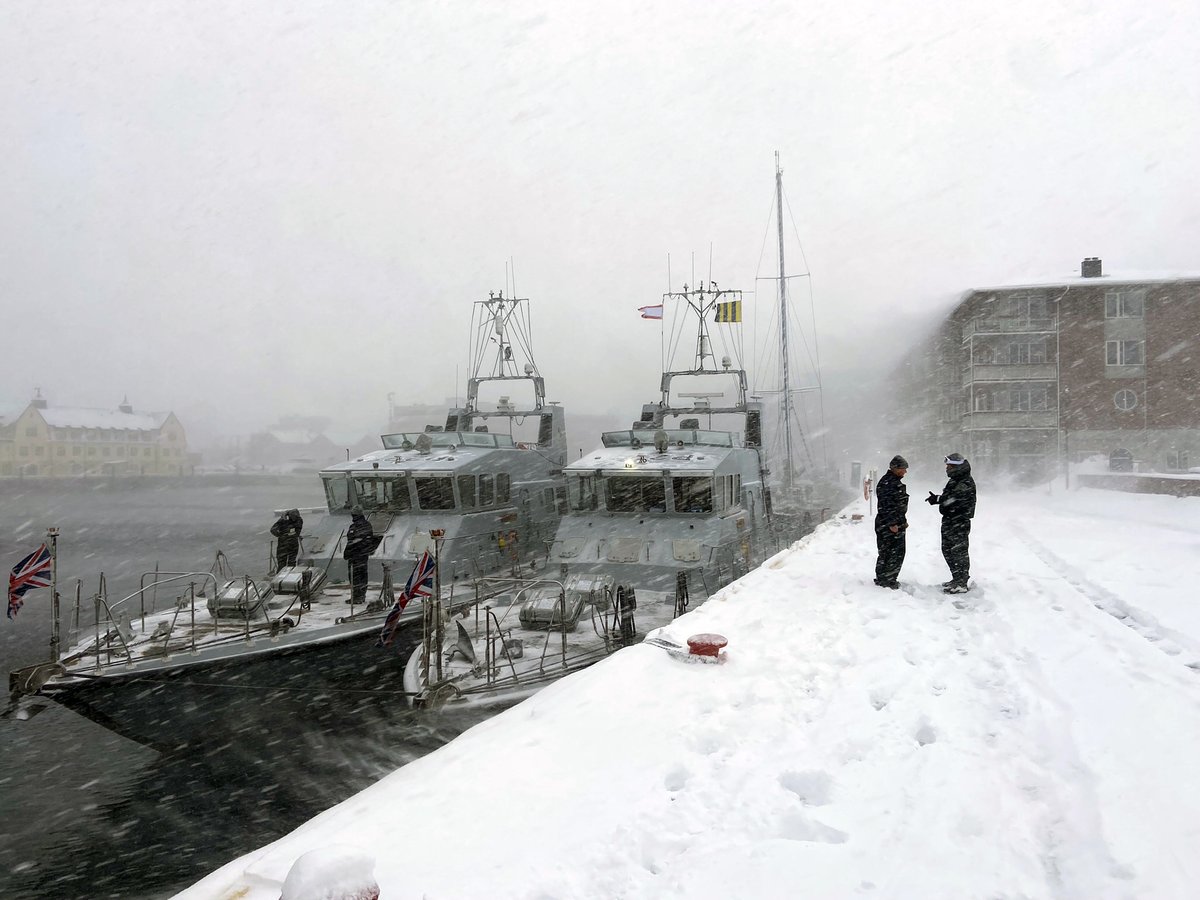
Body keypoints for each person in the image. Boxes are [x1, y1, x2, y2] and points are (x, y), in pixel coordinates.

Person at [926, 452, 977, 593]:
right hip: (950, 520)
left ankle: (961, 582)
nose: (947, 468)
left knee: (958, 551)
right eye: (947, 466)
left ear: (957, 466)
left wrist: (939, 500)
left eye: (949, 466)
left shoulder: (964, 481)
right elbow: (950, 498)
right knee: (948, 550)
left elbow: (956, 500)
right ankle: (956, 578)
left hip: (958, 521)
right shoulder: (956, 479)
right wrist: (938, 499)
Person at [873, 455, 909, 589]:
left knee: (887, 551)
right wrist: (892, 524)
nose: (905, 472)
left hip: (890, 523)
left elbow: (896, 506)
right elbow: (886, 505)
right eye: (903, 469)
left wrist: (902, 521)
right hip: (888, 525)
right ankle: (888, 580)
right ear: (895, 468)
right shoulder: (889, 483)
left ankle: (884, 577)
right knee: (893, 552)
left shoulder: (891, 482)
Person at [343, 508, 375, 604]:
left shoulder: (365, 525)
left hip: (359, 556)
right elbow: (351, 539)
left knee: (360, 576)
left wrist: (356, 548)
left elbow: (364, 541)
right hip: (354, 556)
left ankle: (360, 596)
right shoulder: (354, 525)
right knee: (353, 576)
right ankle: (356, 596)